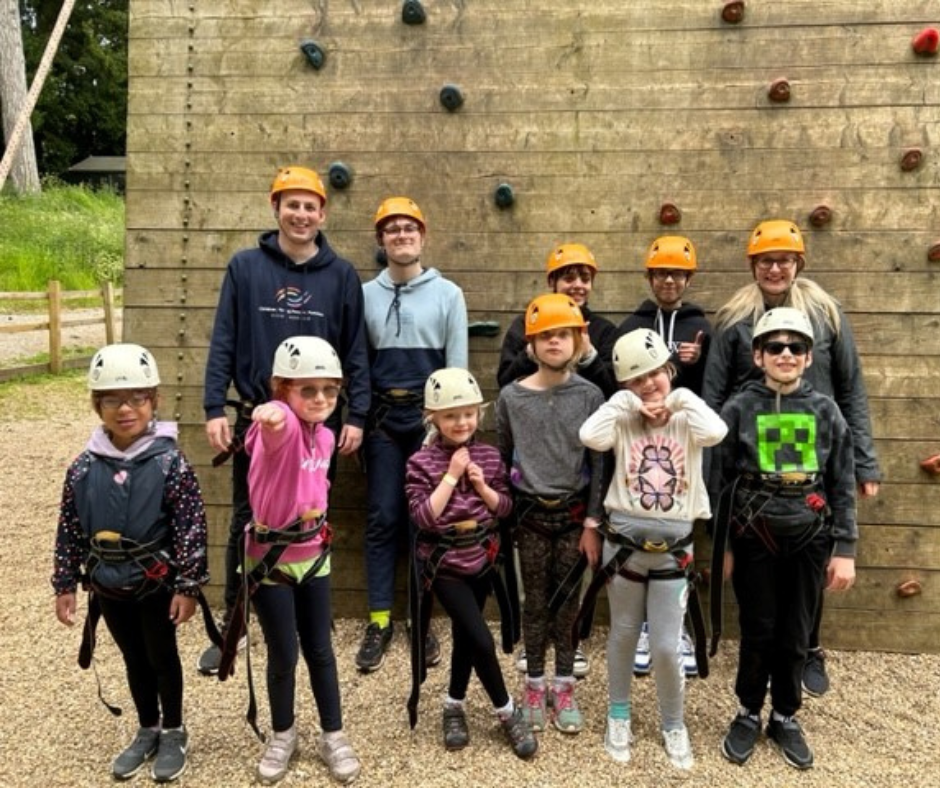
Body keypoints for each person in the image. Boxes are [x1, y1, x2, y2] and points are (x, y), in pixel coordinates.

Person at [200, 165, 370, 676]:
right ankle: (236, 622)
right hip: (264, 421)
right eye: (291, 204)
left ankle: (305, 622)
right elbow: (224, 337)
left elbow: (355, 349)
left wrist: (355, 414)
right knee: (246, 519)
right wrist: (214, 406)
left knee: (310, 519)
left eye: (310, 206)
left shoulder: (341, 276)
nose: (301, 214)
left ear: (323, 213)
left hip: (321, 424)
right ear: (275, 207)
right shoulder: (245, 267)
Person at [703, 219, 880, 697]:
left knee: (810, 552)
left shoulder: (825, 317)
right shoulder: (734, 320)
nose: (775, 268)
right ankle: (757, 678)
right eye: (766, 261)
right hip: (755, 463)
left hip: (814, 458)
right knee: (765, 567)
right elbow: (714, 394)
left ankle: (809, 648)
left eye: (784, 260)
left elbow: (851, 387)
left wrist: (863, 461)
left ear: (798, 263)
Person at [52, 343, 209, 782]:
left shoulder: (170, 463)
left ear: (153, 401)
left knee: (161, 655)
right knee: (133, 658)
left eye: (138, 398)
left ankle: (174, 729)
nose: (126, 409)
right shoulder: (83, 468)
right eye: (112, 399)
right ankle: (148, 726)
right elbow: (69, 527)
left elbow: (191, 527)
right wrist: (65, 583)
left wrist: (188, 586)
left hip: (155, 584)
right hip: (108, 584)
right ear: (96, 404)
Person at [711, 307, 857, 771]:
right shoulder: (737, 408)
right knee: (758, 630)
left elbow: (842, 480)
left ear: (809, 357)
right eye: (775, 346)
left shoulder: (825, 410)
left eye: (796, 347)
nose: (786, 354)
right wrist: (722, 547)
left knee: (796, 633)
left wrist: (846, 549)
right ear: (758, 355)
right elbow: (717, 478)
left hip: (809, 536)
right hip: (754, 534)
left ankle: (785, 715)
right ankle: (748, 711)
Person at [579, 329, 726, 769]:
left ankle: (673, 722)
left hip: (673, 548)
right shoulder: (622, 416)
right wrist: (622, 401)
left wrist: (679, 398)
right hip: (623, 543)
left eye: (655, 374)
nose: (647, 384)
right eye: (635, 379)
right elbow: (591, 436)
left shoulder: (687, 418)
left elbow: (716, 431)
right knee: (623, 633)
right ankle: (618, 713)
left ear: (669, 370)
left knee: (665, 645)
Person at [240, 336, 360, 784]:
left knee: (321, 651)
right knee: (283, 654)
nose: (321, 399)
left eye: (329, 390)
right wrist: (271, 417)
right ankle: (283, 734)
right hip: (271, 561)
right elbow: (274, 433)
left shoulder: (326, 436)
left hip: (314, 556)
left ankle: (334, 734)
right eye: (306, 390)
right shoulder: (283, 425)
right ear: (282, 390)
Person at [357, 196, 468, 673]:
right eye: (392, 229)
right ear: (382, 240)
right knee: (383, 518)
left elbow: (458, 368)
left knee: (426, 522)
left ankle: (420, 620)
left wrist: (446, 430)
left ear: (422, 236)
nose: (402, 235)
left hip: (428, 426)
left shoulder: (449, 295)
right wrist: (358, 420)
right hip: (383, 421)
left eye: (410, 228)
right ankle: (380, 620)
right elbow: (357, 364)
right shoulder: (363, 295)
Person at [497, 242, 617, 678]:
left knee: (570, 588)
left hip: (575, 497)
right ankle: (534, 661)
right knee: (534, 590)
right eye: (569, 275)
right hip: (531, 501)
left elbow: (612, 397)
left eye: (584, 276)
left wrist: (593, 518)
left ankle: (568, 657)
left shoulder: (602, 338)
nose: (577, 282)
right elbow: (507, 405)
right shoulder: (523, 330)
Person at [404, 368, 537, 759]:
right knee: (480, 638)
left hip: (482, 559)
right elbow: (424, 518)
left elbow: (506, 508)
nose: (461, 422)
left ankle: (453, 704)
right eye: (450, 415)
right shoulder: (421, 462)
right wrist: (451, 476)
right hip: (443, 565)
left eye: (468, 414)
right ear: (433, 418)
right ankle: (507, 711)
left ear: (479, 414)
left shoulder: (490, 456)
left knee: (467, 636)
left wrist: (480, 486)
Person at [617, 235, 712, 678]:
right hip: (640, 443)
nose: (669, 280)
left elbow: (712, 387)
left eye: (677, 274)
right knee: (641, 534)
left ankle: (676, 629)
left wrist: (697, 360)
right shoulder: (632, 325)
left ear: (688, 278)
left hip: (683, 444)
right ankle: (642, 630)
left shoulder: (702, 326)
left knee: (681, 538)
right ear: (650, 277)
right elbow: (616, 380)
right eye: (661, 273)